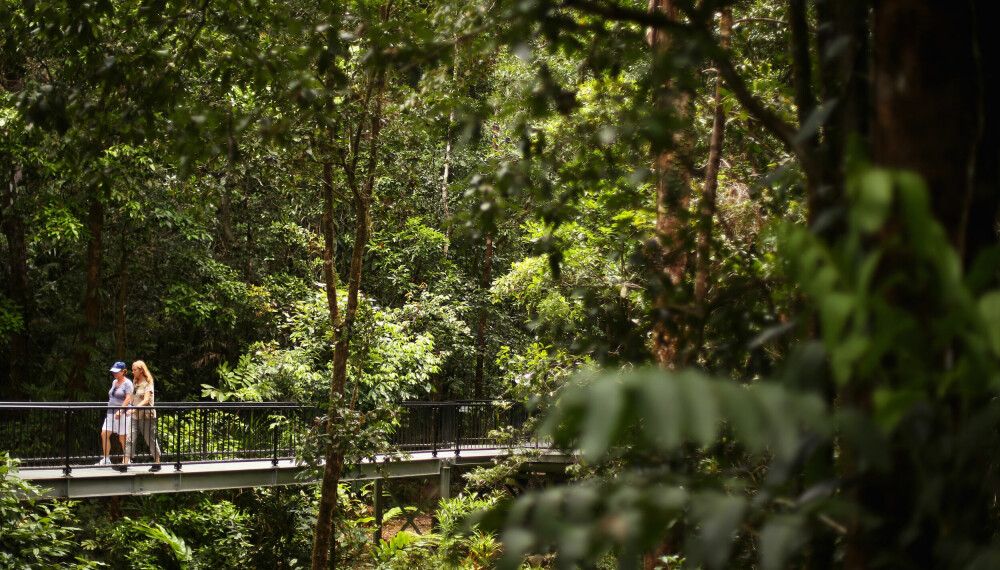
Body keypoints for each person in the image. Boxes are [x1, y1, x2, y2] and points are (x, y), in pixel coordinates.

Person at [122, 360, 162, 472]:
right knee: (130, 438)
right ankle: (124, 463)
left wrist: (133, 408)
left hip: (146, 416)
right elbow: (132, 398)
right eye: (133, 370)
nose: (133, 372)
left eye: (135, 370)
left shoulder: (148, 382)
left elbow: (146, 400)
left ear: (141, 370)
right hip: (135, 415)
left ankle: (157, 462)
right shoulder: (135, 383)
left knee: (150, 439)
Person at [96, 361, 132, 468]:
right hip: (111, 412)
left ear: (123, 371)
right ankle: (106, 459)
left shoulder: (127, 383)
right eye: (113, 371)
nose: (114, 373)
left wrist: (121, 410)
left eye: (117, 372)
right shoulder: (114, 382)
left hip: (122, 414)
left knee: (122, 437)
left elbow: (128, 398)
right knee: (104, 433)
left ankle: (127, 459)